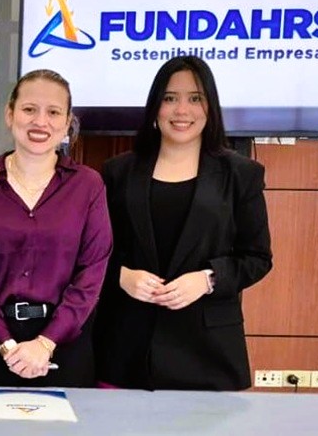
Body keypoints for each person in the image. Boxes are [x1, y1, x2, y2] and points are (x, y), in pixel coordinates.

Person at [94, 55, 273, 391]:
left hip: (209, 354)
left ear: (210, 107)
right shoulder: (117, 172)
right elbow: (93, 252)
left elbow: (257, 258)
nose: (181, 110)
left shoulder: (241, 174)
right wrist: (122, 276)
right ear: (155, 106)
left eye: (195, 98)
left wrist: (207, 279)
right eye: (170, 98)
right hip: (126, 347)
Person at [0, 69, 112, 387]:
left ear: (67, 123)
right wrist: (6, 345)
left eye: (53, 112)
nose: (40, 121)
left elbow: (92, 272)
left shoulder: (88, 185)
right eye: (29, 109)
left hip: (65, 347)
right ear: (10, 115)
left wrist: (45, 344)